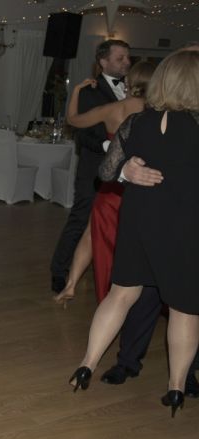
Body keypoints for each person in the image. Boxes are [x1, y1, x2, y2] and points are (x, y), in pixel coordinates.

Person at [68, 49, 199, 417]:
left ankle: (86, 364)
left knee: (120, 295)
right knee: (184, 311)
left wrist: (127, 169)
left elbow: (105, 173)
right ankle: (176, 388)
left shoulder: (136, 122)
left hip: (139, 221)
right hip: (184, 227)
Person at [54, 60, 155, 305]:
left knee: (91, 234)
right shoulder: (157, 114)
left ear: (131, 82)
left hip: (111, 187)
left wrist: (76, 90)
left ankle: (71, 285)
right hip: (141, 187)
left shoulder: (112, 109)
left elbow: (73, 120)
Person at [50, 40, 130, 293]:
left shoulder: (134, 89)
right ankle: (59, 271)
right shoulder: (89, 91)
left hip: (125, 171)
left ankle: (111, 271)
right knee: (81, 219)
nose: (126, 62)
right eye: (120, 58)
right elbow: (82, 134)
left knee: (118, 221)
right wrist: (109, 147)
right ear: (103, 62)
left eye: (128, 57)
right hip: (94, 167)